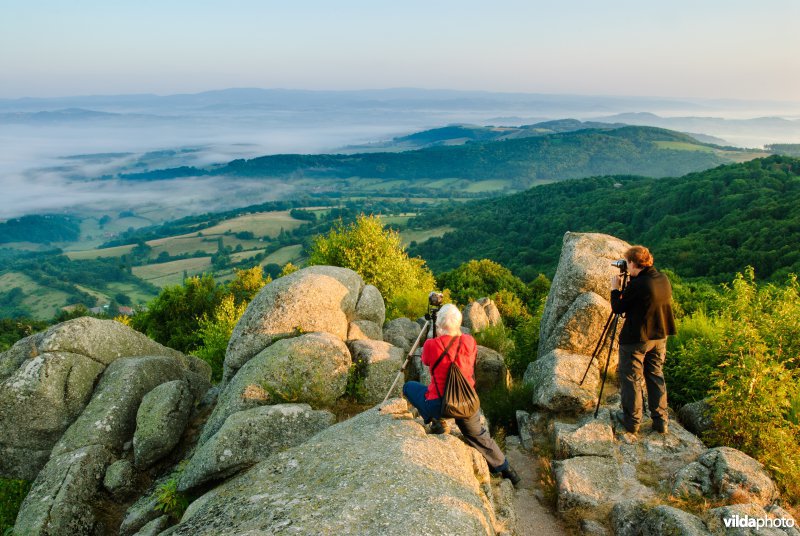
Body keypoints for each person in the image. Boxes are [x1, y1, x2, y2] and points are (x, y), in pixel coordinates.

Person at [402, 303, 520, 486]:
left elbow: (425, 361)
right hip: (466, 403)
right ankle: (507, 470)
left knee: (409, 387)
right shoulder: (469, 341)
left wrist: (437, 336)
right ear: (459, 323)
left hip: (439, 405)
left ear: (439, 324)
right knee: (478, 435)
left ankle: (438, 423)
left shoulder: (432, 345)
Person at [610, 245, 677, 435]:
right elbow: (643, 301)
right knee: (655, 376)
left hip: (637, 339)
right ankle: (661, 421)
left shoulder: (638, 285)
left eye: (627, 263)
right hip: (660, 337)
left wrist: (615, 289)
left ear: (632, 263)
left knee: (631, 378)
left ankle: (632, 421)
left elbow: (618, 308)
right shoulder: (662, 279)